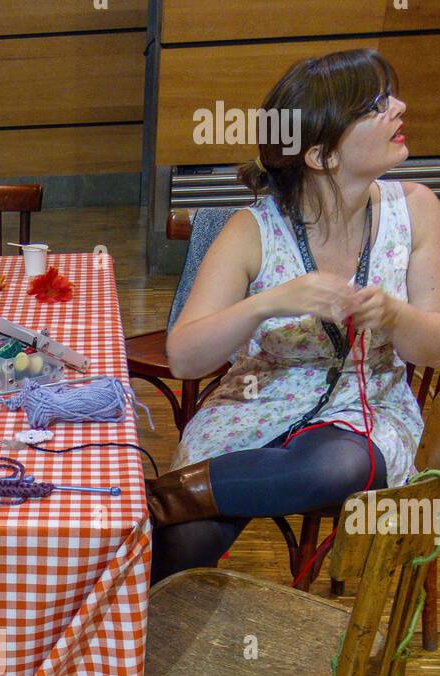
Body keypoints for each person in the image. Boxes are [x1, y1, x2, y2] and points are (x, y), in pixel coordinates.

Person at [149, 49, 440, 584]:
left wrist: (394, 315)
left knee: (340, 468)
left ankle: (155, 501)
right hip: (257, 399)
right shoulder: (251, 230)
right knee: (184, 541)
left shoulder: (416, 209)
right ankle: (142, 647)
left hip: (364, 406)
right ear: (322, 156)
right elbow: (186, 358)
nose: (399, 107)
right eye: (376, 104)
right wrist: (268, 301)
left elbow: (432, 348)